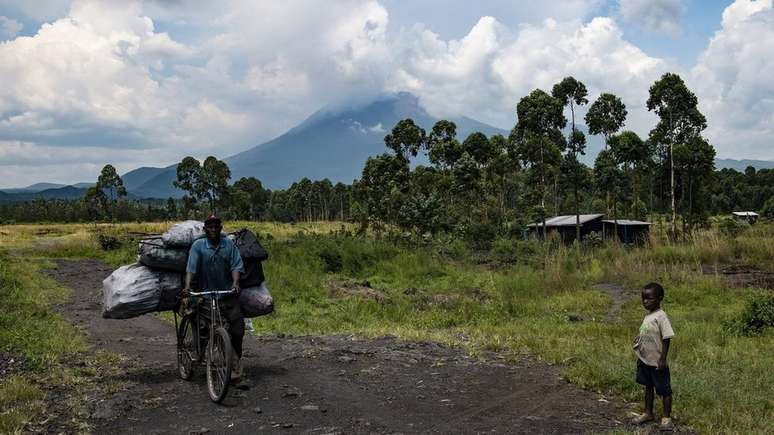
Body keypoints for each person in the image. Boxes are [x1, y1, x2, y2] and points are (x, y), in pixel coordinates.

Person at [182, 214, 246, 383]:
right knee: (216, 327)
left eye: (216, 226)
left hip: (226, 294)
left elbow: (236, 265)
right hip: (205, 295)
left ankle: (234, 360)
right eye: (209, 226)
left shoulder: (228, 245)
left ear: (221, 228)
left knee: (238, 329)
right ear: (204, 229)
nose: (213, 229)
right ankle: (231, 370)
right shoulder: (198, 246)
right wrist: (188, 287)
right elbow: (191, 268)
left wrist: (235, 283)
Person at [632, 282, 675, 431]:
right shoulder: (648, 316)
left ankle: (666, 417)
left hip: (657, 362)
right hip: (645, 360)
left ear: (659, 298)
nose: (645, 301)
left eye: (649, 298)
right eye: (643, 298)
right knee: (648, 387)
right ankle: (648, 413)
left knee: (664, 390)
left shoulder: (661, 316)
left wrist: (662, 359)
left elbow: (666, 338)